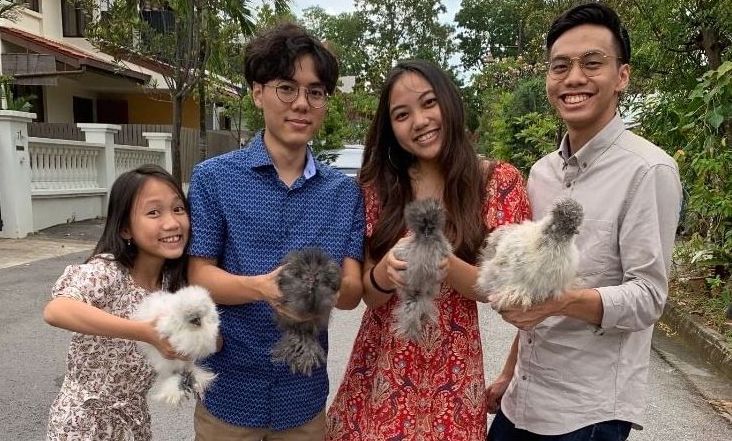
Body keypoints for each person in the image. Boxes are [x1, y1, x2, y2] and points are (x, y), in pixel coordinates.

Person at [486, 3, 683, 440]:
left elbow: (649, 296)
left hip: (586, 414)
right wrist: (506, 375)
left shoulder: (648, 171)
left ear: (622, 77)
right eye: (561, 66)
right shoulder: (542, 173)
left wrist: (560, 301)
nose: (574, 77)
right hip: (521, 400)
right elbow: (535, 289)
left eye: (592, 63)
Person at [326, 59, 531, 440]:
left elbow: (502, 290)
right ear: (391, 128)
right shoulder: (377, 188)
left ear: (449, 102)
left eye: (428, 103)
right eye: (402, 114)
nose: (419, 121)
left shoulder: (496, 182)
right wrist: (385, 272)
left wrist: (445, 262)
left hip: (453, 384)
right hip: (379, 378)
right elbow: (369, 298)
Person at [186, 22, 365, 440]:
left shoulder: (343, 192)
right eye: (287, 87)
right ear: (257, 91)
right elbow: (200, 275)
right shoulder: (214, 178)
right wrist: (262, 288)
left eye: (315, 92)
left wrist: (323, 293)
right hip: (228, 397)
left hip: (303, 401)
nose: (302, 103)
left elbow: (353, 289)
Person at [44, 164, 190, 440]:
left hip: (133, 422)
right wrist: (145, 332)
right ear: (125, 229)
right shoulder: (108, 271)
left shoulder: (173, 286)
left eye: (178, 209)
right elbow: (57, 310)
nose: (171, 223)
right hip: (82, 422)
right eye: (153, 212)